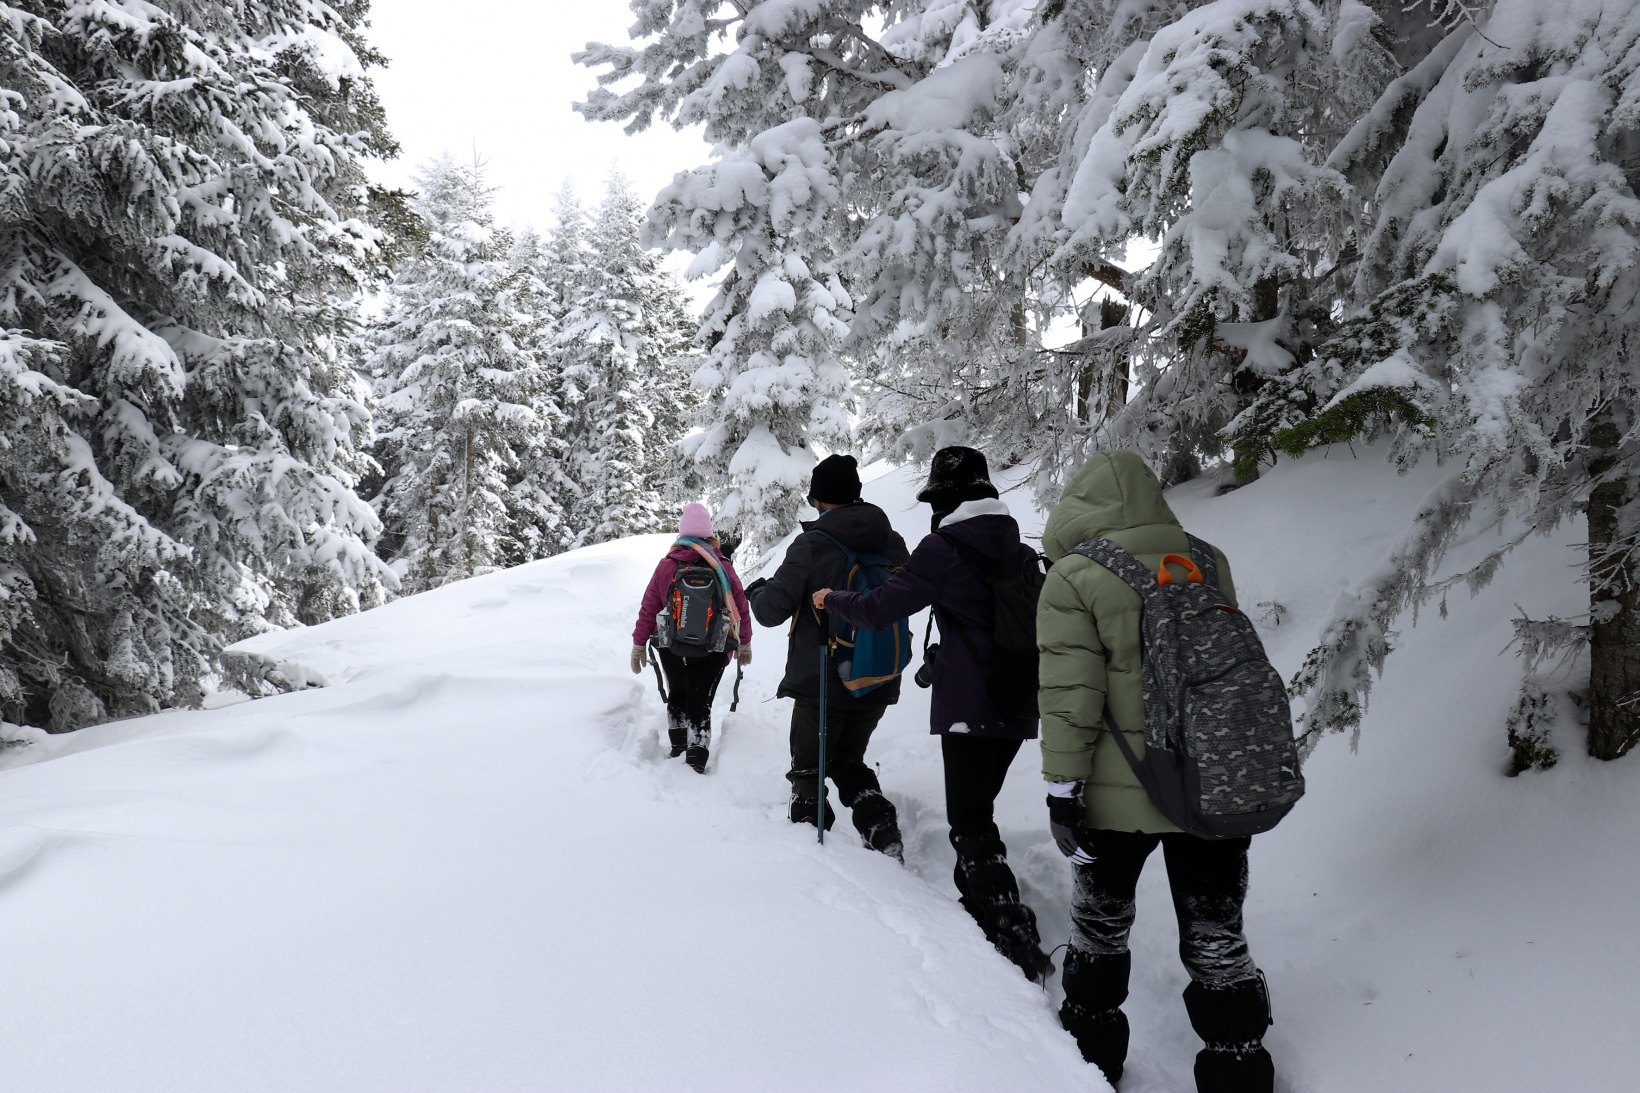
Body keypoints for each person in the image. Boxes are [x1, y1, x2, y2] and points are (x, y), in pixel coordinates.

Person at [1037, 450, 1275, 1093]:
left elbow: (1071, 696)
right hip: (1211, 782)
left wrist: (1063, 788)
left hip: (1118, 797)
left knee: (1100, 929)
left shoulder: (1075, 575)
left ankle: (1089, 1064)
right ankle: (1239, 1070)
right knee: (1219, 937)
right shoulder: (1205, 556)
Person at [813, 446, 1054, 983]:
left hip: (970, 701)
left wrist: (833, 601)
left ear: (944, 499)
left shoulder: (944, 547)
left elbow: (881, 608)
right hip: (1019, 696)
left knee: (969, 822)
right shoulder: (1017, 546)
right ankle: (982, 912)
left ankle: (1011, 928)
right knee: (979, 810)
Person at [745, 454, 908, 858]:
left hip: (823, 677)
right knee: (849, 759)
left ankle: (813, 855)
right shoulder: (892, 540)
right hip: (878, 672)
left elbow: (769, 612)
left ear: (818, 499)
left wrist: (756, 591)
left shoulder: (813, 544)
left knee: (810, 768)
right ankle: (882, 831)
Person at [631, 503, 753, 773]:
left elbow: (649, 606)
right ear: (710, 534)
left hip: (670, 645)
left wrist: (639, 643)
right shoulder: (721, 565)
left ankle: (678, 747)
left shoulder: (667, 565)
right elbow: (740, 607)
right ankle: (696, 758)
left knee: (678, 692)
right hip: (713, 646)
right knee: (700, 699)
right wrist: (744, 642)